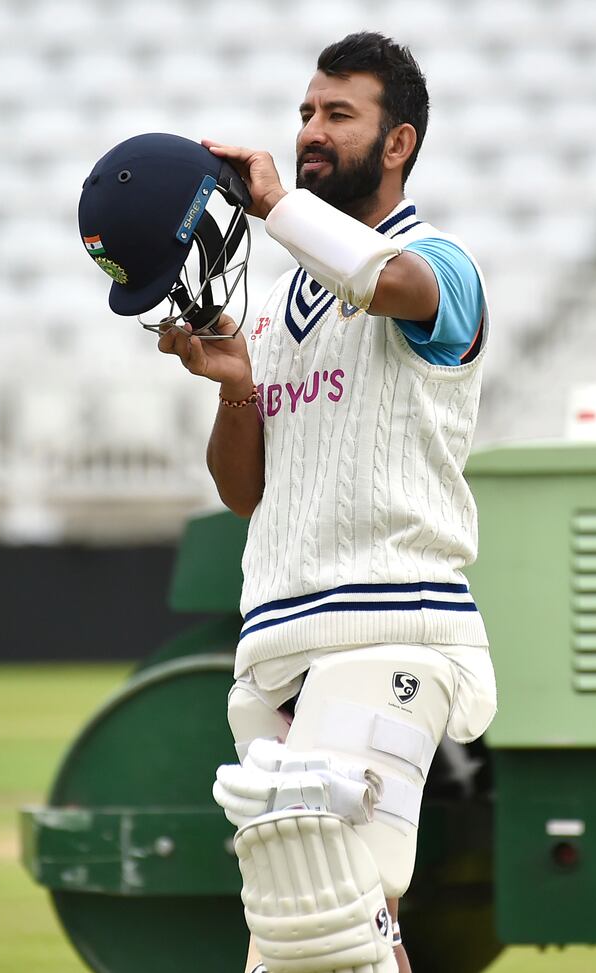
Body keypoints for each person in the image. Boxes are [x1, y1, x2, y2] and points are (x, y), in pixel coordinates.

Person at [158, 31, 497, 973]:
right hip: (275, 640)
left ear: (399, 142)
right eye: (307, 110)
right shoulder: (270, 309)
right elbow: (245, 491)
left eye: (338, 113)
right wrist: (235, 382)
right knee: (301, 931)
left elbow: (390, 283)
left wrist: (277, 203)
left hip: (390, 629)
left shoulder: (444, 264)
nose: (311, 129)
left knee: (332, 910)